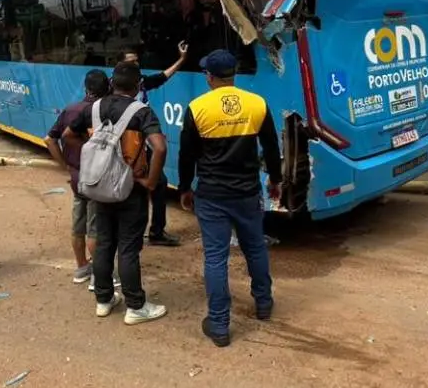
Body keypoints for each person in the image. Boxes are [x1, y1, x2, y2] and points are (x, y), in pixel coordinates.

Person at [178, 50, 283, 347]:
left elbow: (187, 155)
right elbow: (271, 148)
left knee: (215, 258)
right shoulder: (256, 104)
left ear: (210, 77)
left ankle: (220, 325)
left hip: (212, 196)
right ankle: (263, 303)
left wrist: (185, 187)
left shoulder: (197, 108)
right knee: (255, 248)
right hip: (248, 193)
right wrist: (275, 180)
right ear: (234, 74)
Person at [63, 62, 169, 325]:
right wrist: (151, 181)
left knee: (104, 243)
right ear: (137, 86)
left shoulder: (94, 108)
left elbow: (67, 136)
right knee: (129, 248)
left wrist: (95, 156)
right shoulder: (141, 111)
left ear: (112, 83)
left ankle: (104, 299)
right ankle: (135, 306)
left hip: (99, 187)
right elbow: (160, 148)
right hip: (130, 188)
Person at [118, 41, 189, 247]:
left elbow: (162, 77)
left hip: (142, 146)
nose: (137, 65)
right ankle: (131, 233)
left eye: (137, 61)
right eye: (131, 63)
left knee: (158, 183)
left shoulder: (139, 83)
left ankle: (155, 231)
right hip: (127, 146)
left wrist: (182, 59)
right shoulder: (117, 89)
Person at [45, 69, 111, 284]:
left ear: (86, 88)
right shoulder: (105, 112)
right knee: (96, 229)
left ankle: (82, 268)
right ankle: (99, 276)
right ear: (107, 88)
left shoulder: (70, 110)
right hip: (96, 178)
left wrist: (65, 166)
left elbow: (49, 139)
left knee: (78, 225)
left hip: (76, 177)